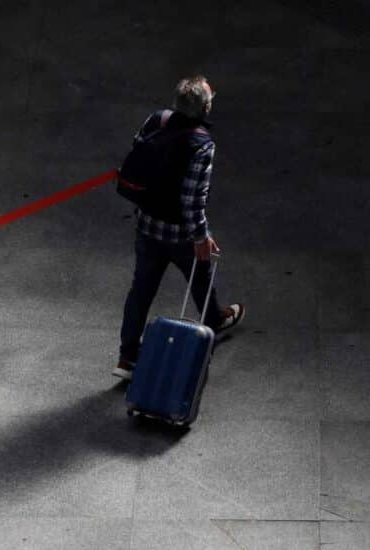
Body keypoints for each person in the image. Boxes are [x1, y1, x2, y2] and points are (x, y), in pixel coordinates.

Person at [113, 75, 244, 381]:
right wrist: (201, 236)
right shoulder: (202, 144)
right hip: (180, 234)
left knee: (141, 290)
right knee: (200, 276)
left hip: (146, 225)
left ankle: (126, 357)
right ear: (205, 108)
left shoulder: (156, 120)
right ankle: (213, 320)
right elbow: (192, 199)